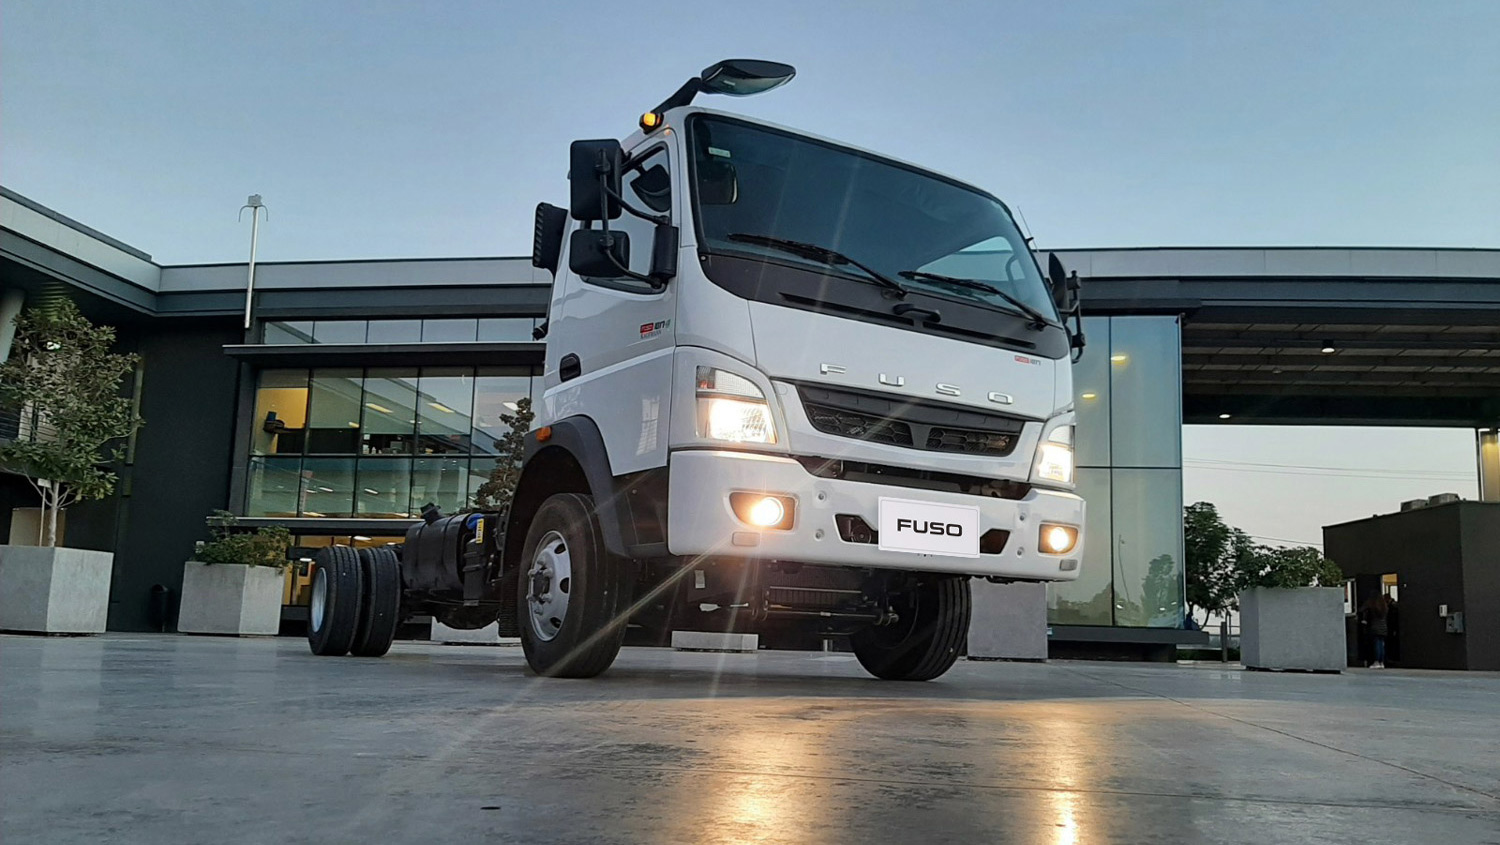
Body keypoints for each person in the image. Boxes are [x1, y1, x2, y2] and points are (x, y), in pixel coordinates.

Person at [1360, 594, 1391, 669]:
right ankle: (1381, 662)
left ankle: (1376, 661)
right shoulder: (1384, 607)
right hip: (1383, 628)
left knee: (1377, 644)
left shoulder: (1373, 608)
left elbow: (1363, 611)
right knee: (1381, 645)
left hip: (1375, 628)